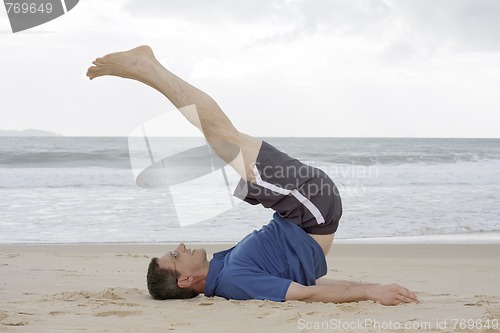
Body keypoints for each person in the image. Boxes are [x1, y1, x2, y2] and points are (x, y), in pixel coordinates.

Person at [86, 46, 419, 306]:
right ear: (185, 281)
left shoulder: (223, 270)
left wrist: (369, 289)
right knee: (222, 137)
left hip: (299, 210)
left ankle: (146, 69)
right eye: (175, 256)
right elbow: (304, 293)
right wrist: (372, 291)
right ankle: (147, 67)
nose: (180, 246)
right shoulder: (233, 281)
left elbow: (303, 284)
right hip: (310, 207)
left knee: (222, 138)